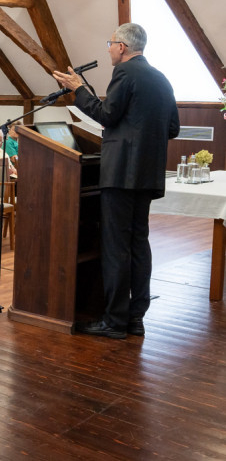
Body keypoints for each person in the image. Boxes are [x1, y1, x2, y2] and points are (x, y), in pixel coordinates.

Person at [53, 22, 180, 339]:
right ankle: (135, 318)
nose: (108, 48)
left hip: (121, 174)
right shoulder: (161, 79)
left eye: (110, 43)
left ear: (121, 47)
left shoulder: (124, 72)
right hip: (147, 175)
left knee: (116, 247)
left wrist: (79, 90)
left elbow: (107, 115)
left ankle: (113, 321)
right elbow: (173, 128)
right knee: (139, 245)